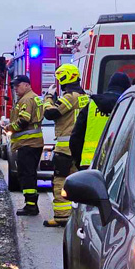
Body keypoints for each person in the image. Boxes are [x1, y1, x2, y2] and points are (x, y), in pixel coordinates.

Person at [42, 64, 88, 227]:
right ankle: (78, 217)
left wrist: (48, 97)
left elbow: (51, 113)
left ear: (65, 78)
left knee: (60, 180)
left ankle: (61, 216)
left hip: (65, 148)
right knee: (78, 182)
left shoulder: (70, 97)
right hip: (79, 147)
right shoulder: (84, 96)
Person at [70, 72, 131, 170]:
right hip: (118, 165)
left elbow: (76, 136)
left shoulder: (91, 105)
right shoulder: (127, 105)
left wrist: (78, 161)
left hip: (89, 164)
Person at [6, 75, 44, 216]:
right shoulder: (33, 97)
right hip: (33, 143)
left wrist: (9, 128)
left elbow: (23, 121)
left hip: (27, 143)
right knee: (30, 174)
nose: (15, 88)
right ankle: (31, 204)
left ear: (27, 85)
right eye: (14, 86)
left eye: (18, 85)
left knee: (26, 175)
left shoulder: (26, 99)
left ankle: (31, 206)